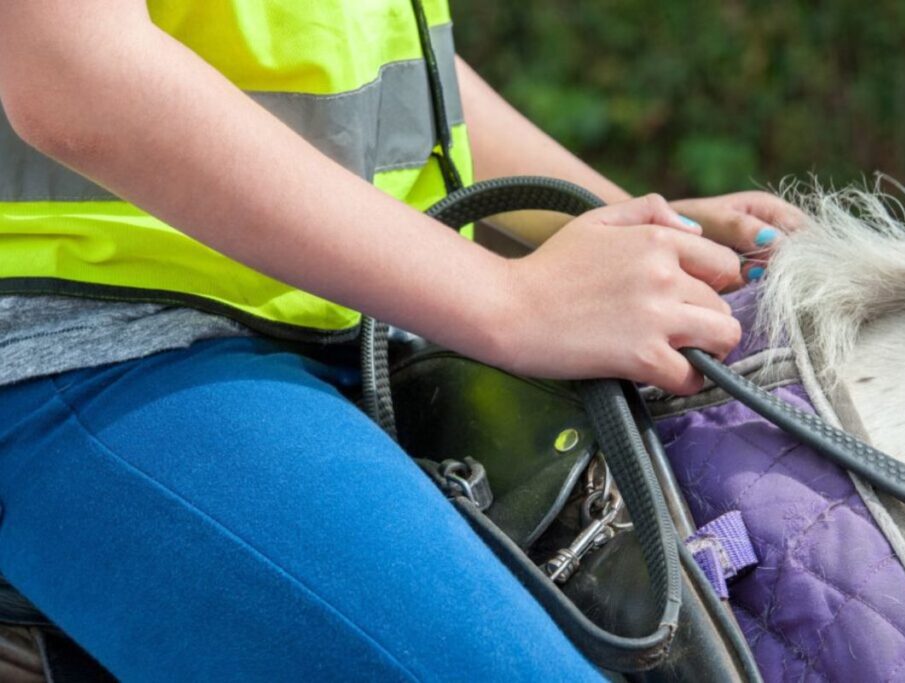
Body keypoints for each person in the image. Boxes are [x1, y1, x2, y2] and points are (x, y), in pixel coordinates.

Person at [0, 1, 803, 680]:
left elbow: (396, 68)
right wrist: (508, 295)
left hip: (374, 313)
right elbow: (73, 68)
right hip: (97, 344)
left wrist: (619, 219)